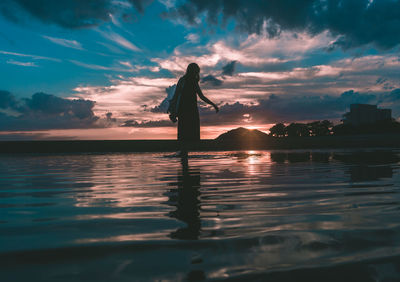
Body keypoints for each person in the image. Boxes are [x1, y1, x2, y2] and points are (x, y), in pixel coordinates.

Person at [169, 63, 219, 156]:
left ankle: (184, 154)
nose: (197, 73)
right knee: (186, 132)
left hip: (188, 110)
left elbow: (201, 96)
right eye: (196, 71)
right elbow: (176, 95)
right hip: (186, 110)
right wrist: (172, 108)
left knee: (186, 132)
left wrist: (213, 104)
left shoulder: (190, 81)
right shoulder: (184, 80)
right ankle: (184, 153)